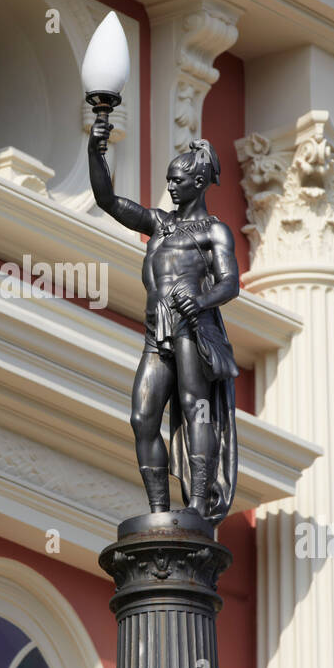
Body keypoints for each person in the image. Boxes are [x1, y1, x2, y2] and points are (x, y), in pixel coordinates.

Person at [88, 118, 239, 522]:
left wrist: (201, 300)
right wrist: (95, 152)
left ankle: (197, 507)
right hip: (157, 331)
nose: (171, 186)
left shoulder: (214, 232)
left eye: (177, 180)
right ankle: (159, 511)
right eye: (169, 179)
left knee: (197, 410)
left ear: (199, 180)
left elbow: (231, 284)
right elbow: (108, 201)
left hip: (192, 329)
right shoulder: (159, 222)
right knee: (142, 417)